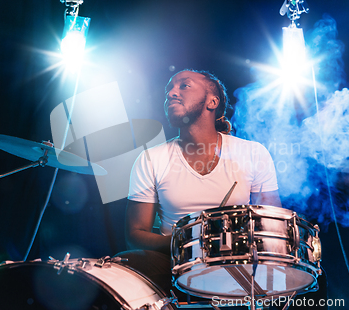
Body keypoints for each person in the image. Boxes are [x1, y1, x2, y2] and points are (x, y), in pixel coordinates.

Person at [119, 69, 324, 309]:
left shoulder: (253, 153)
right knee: (127, 263)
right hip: (175, 264)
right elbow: (135, 233)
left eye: (184, 86)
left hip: (241, 260)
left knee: (312, 286)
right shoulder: (150, 159)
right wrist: (195, 243)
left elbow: (270, 230)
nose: (172, 93)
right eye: (169, 90)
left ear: (212, 102)